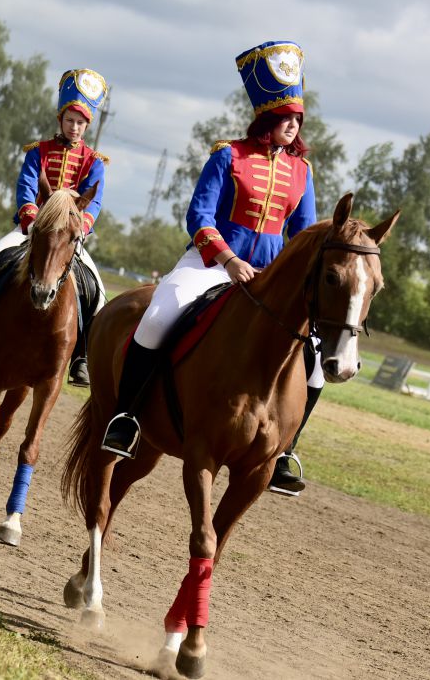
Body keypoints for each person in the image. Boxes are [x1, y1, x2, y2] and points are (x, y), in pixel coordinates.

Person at [101, 40, 322, 497]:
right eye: (285, 118)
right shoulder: (228, 156)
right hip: (212, 264)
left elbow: (302, 237)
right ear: (266, 119)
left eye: (297, 119)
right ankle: (126, 418)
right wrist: (228, 259)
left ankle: (286, 450)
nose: (292, 126)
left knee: (316, 358)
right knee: (158, 316)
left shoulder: (303, 172)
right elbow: (198, 217)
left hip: (268, 280)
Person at [0, 68, 109, 387]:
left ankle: (82, 358)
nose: (74, 127)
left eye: (81, 122)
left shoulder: (95, 161)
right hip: (31, 229)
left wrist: (82, 227)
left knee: (98, 292)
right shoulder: (38, 151)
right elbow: (26, 186)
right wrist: (33, 221)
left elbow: (96, 201)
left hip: (68, 237)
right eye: (70, 120)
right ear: (60, 119)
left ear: (87, 126)